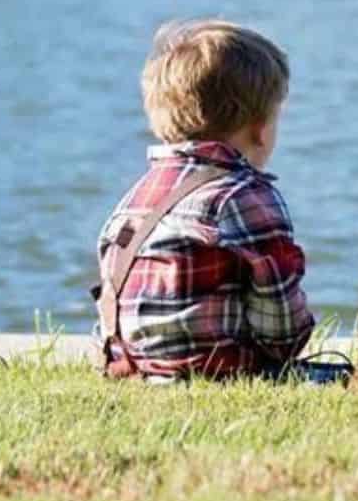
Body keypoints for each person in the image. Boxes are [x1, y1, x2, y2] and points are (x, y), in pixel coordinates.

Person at [93, 19, 315, 380]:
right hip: (218, 371)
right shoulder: (244, 195)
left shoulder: (138, 196)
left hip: (133, 370)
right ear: (260, 128)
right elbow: (283, 328)